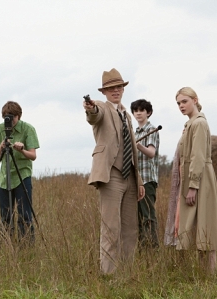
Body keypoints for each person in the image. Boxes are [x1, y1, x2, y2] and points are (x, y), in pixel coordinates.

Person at [83, 68, 145, 275]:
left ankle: (127, 274)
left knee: (130, 229)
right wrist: (89, 108)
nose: (115, 91)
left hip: (130, 177)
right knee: (111, 229)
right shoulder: (101, 107)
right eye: (111, 88)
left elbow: (133, 150)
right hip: (111, 175)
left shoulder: (126, 114)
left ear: (123, 89)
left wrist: (140, 181)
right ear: (104, 92)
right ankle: (109, 276)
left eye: (118, 87)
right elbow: (94, 115)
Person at [174, 87, 217, 273]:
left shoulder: (199, 124)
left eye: (184, 101)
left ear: (195, 100)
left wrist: (193, 186)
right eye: (178, 103)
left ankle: (210, 274)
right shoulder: (191, 124)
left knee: (207, 223)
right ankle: (205, 274)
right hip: (193, 178)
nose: (181, 105)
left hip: (200, 179)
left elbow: (197, 157)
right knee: (199, 225)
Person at [0, 101, 39, 245]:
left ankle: (26, 246)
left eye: (11, 118)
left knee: (24, 215)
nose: (9, 121)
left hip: (22, 176)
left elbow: (33, 155)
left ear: (18, 116)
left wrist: (22, 150)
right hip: (5, 177)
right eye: (6, 118)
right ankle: (7, 246)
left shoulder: (28, 129)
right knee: (5, 216)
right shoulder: (1, 128)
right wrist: (2, 145)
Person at [130, 99, 160, 249]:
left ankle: (153, 250)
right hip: (136, 181)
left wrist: (138, 145)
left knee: (148, 216)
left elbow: (151, 153)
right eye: (135, 111)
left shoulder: (151, 130)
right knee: (138, 218)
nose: (138, 113)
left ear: (148, 112)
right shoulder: (134, 132)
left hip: (148, 180)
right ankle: (143, 251)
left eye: (142, 110)